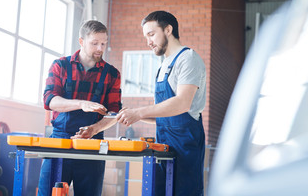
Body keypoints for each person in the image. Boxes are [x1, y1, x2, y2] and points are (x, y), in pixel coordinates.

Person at [116, 11, 206, 196]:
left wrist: (139, 113)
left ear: (168, 29)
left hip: (185, 148)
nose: (148, 41)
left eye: (151, 34)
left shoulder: (187, 58)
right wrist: (132, 115)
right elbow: (164, 115)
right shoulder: (163, 66)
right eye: (146, 37)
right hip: (163, 145)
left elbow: (182, 103)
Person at [37, 20, 122, 196]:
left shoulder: (112, 74)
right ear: (81, 41)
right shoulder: (60, 66)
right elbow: (49, 100)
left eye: (104, 43)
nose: (100, 48)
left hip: (93, 144)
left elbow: (113, 113)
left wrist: (94, 129)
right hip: (60, 141)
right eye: (95, 43)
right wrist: (81, 104)